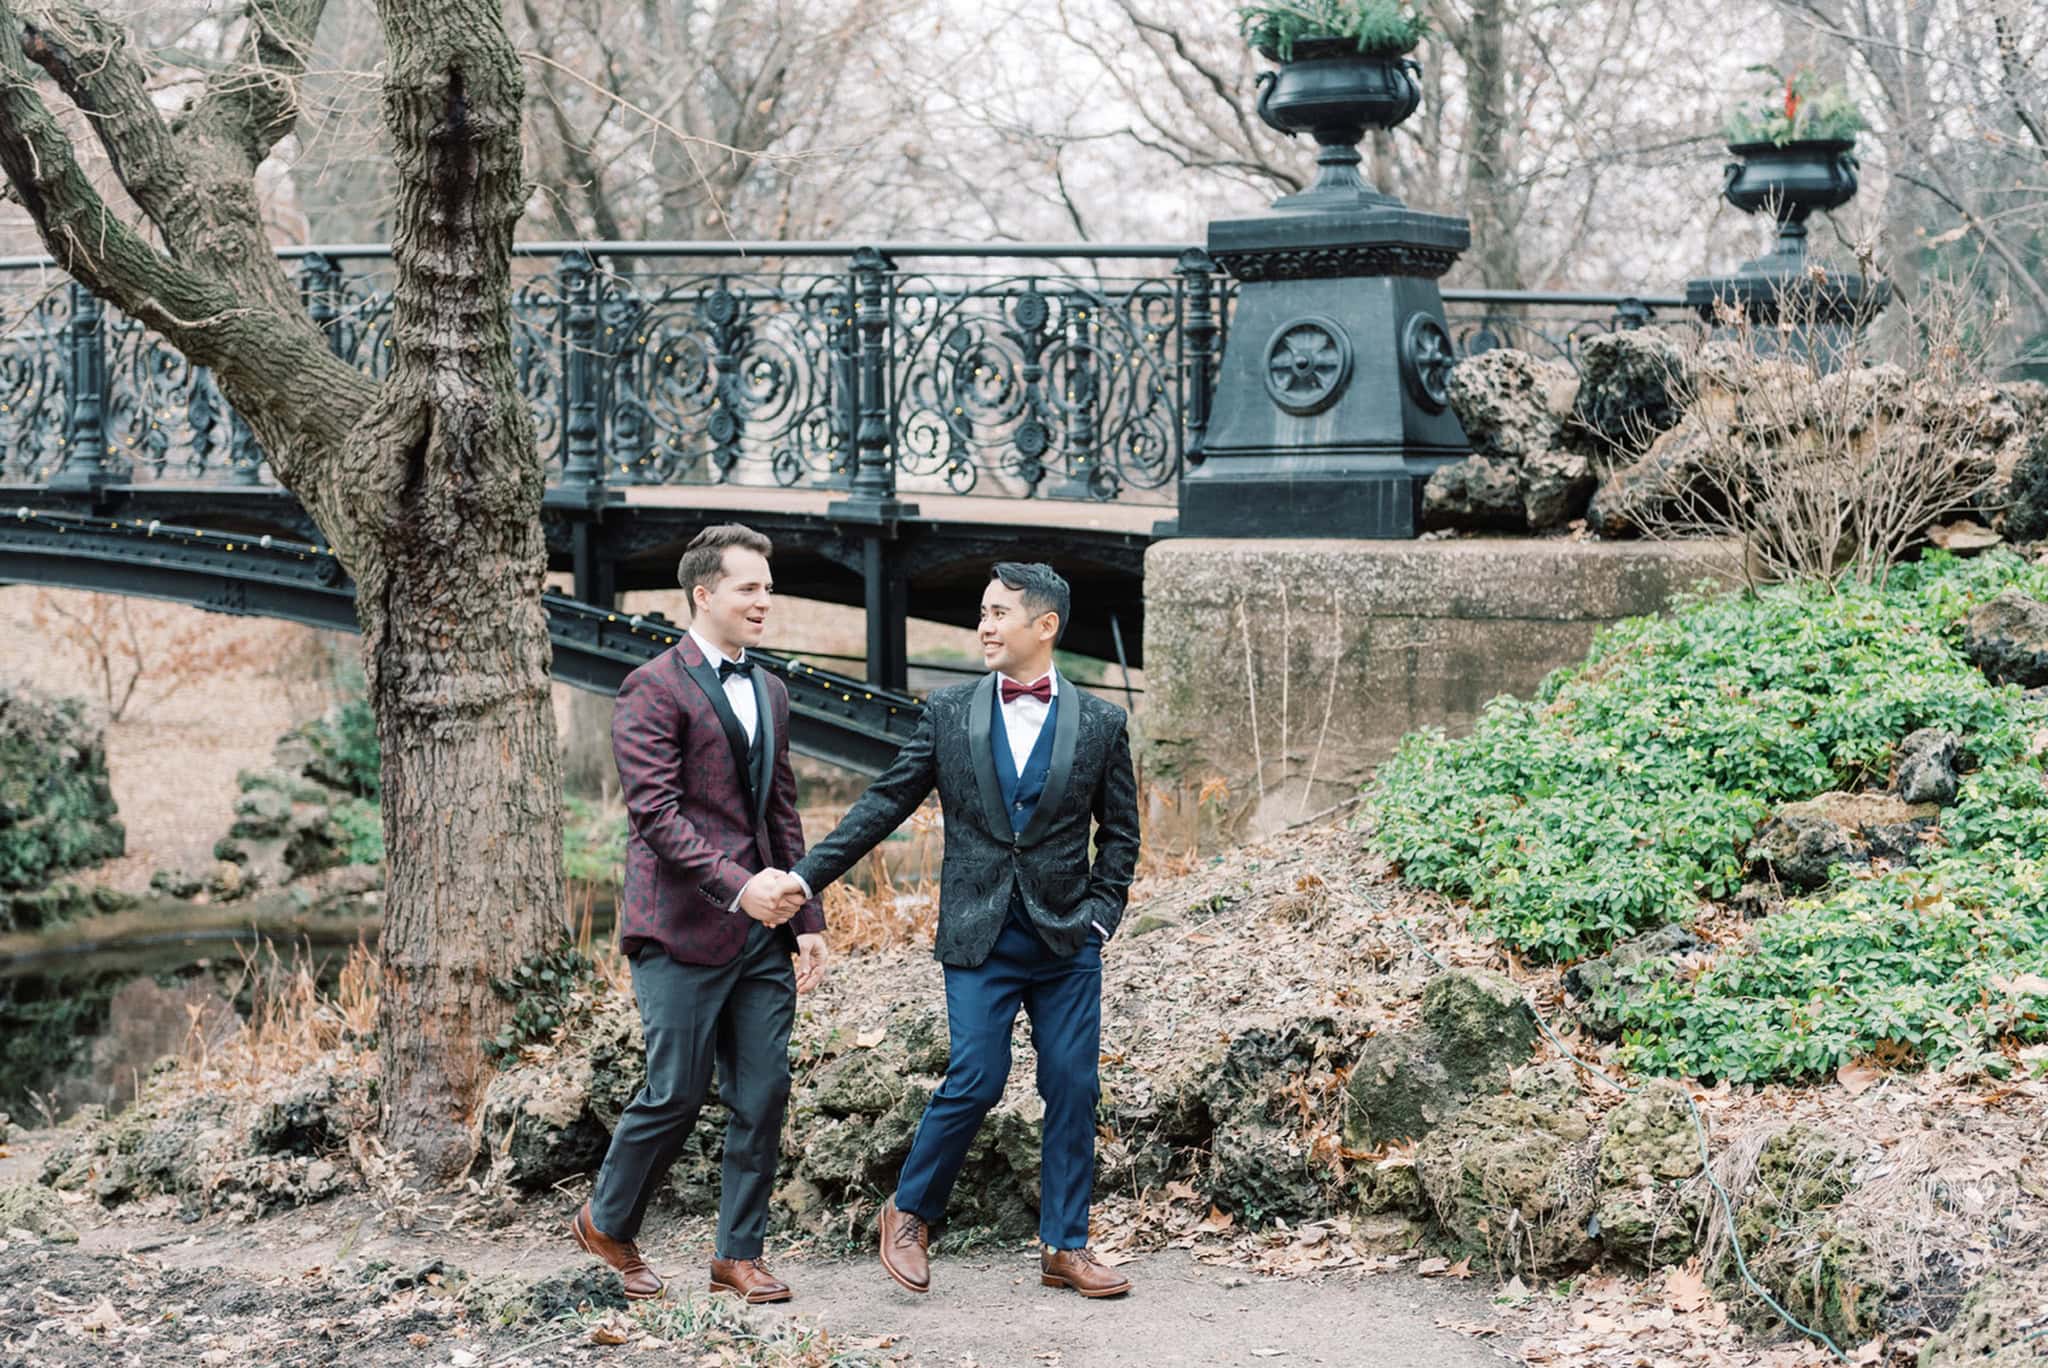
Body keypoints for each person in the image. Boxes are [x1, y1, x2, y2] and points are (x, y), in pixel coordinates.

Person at [771, 561, 1141, 1299]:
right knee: (978, 1075)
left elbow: (1122, 833)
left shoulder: (1101, 722)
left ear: (1045, 627)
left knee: (1073, 1086)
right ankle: (908, 1212)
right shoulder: (947, 712)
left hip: (1068, 939)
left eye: (999, 613)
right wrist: (806, 878)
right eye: (981, 612)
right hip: (979, 936)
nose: (983, 625)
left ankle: (1065, 1246)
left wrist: (1103, 915)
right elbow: (883, 806)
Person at [570, 523, 826, 1305]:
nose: (764, 601)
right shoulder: (652, 684)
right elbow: (655, 812)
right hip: (678, 928)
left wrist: (806, 921)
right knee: (674, 1092)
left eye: (767, 588)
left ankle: (737, 1254)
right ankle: (608, 1223)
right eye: (749, 588)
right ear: (703, 594)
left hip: (763, 934)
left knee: (764, 1092)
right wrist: (736, 886)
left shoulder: (772, 690)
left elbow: (780, 814)